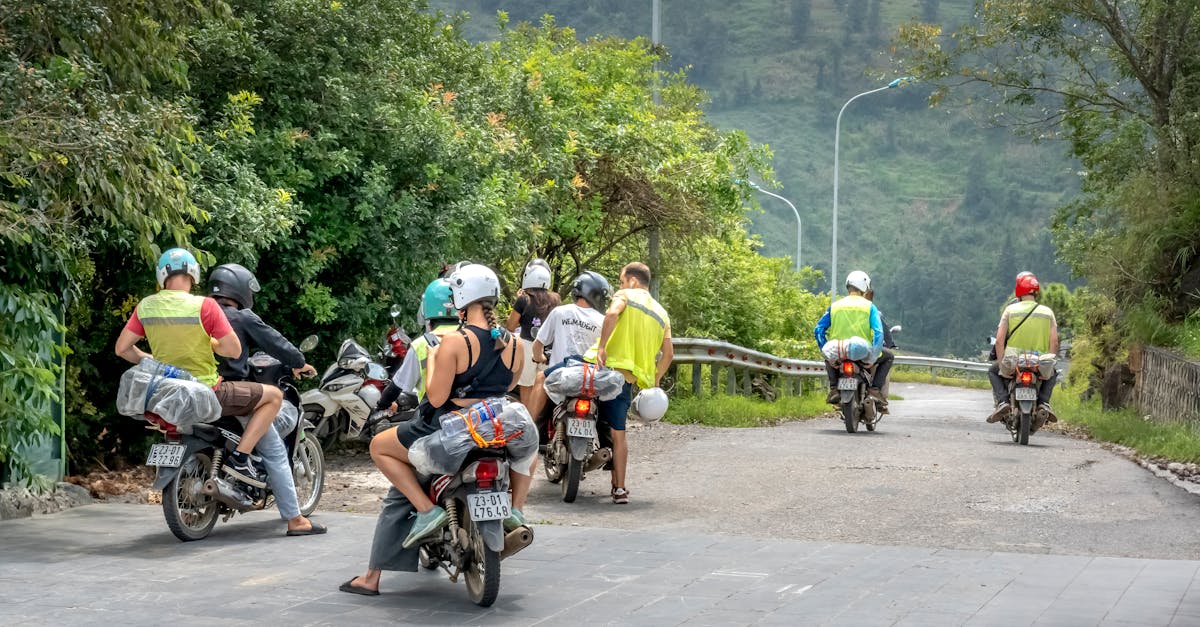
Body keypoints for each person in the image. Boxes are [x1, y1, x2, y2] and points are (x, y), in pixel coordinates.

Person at [341, 263, 526, 596]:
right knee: (526, 457)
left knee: (380, 448)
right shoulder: (515, 344)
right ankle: (516, 511)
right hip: (495, 427)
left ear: (461, 298)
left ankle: (426, 513)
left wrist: (436, 364)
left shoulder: (453, 343)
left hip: (445, 431)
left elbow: (437, 397)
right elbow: (508, 385)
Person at [114, 248, 279, 489]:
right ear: (192, 274)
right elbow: (232, 350)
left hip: (164, 394)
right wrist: (212, 343)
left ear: (162, 276)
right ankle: (242, 459)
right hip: (206, 391)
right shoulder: (205, 306)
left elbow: (123, 349)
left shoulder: (146, 307)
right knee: (274, 397)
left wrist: (152, 361)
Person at [207, 263, 326, 536]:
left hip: (196, 391)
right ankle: (296, 520)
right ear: (240, 290)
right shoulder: (242, 317)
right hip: (232, 394)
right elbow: (277, 344)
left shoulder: (199, 313)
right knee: (273, 449)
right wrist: (299, 362)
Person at [584, 262, 672, 505]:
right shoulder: (661, 313)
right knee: (618, 432)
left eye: (622, 281)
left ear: (632, 281)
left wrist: (602, 347)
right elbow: (668, 354)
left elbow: (612, 313)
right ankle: (619, 489)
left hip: (602, 368)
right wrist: (655, 378)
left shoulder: (626, 295)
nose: (621, 286)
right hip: (627, 379)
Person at [527, 271, 611, 421]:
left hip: (562, 375)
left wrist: (538, 357)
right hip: (590, 378)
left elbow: (538, 344)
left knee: (540, 377)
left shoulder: (559, 312)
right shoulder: (603, 321)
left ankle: (528, 429)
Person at [376, 277, 461, 415]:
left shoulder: (422, 344)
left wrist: (382, 404)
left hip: (431, 419)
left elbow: (397, 386)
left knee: (378, 438)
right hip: (470, 417)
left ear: (426, 308)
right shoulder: (470, 336)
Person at [814, 271, 894, 409]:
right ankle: (874, 390)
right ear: (864, 287)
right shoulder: (870, 307)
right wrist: (873, 357)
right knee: (889, 357)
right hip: (862, 353)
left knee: (828, 355)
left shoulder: (835, 306)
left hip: (839, 352)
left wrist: (824, 349)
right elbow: (878, 333)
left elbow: (818, 330)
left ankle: (834, 388)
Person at [987, 272, 1059, 424]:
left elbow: (999, 341)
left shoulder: (1010, 310)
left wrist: (1001, 365)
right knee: (1053, 373)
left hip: (1014, 361)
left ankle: (1003, 402)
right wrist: (1048, 362)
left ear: (1018, 291)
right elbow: (1055, 343)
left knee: (993, 371)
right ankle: (1044, 403)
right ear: (1036, 292)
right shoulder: (1048, 312)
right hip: (1038, 362)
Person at [506, 259, 560, 411]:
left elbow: (511, 325)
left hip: (527, 346)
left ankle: (527, 419)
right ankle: (538, 419)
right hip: (548, 348)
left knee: (526, 386)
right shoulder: (555, 299)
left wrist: (519, 303)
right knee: (541, 385)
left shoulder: (524, 298)